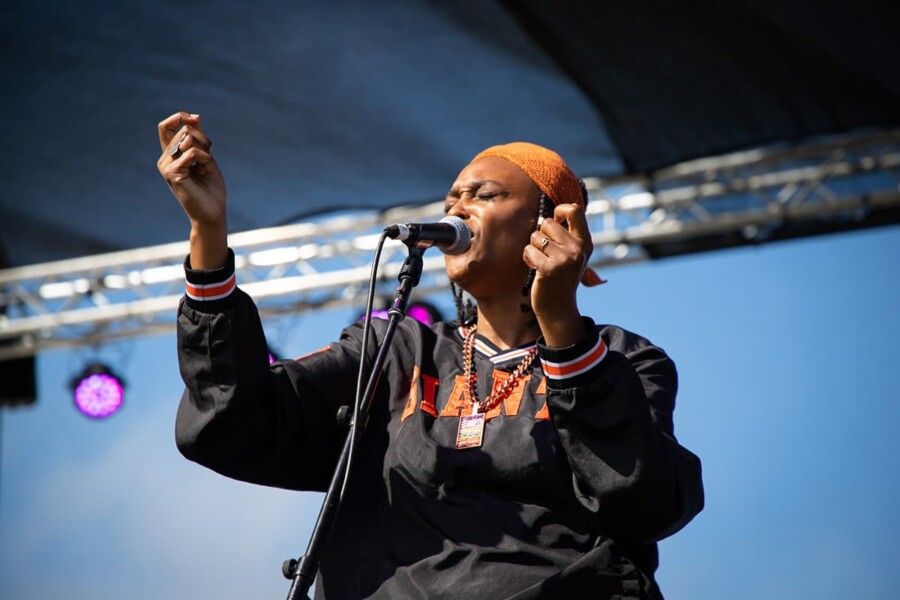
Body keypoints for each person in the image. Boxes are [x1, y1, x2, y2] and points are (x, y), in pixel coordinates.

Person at [158, 111, 704, 599]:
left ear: (553, 224)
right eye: (451, 201)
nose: (458, 209)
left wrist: (561, 326)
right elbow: (233, 421)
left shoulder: (622, 359)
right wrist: (209, 232)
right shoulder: (396, 350)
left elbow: (645, 500)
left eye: (486, 195)